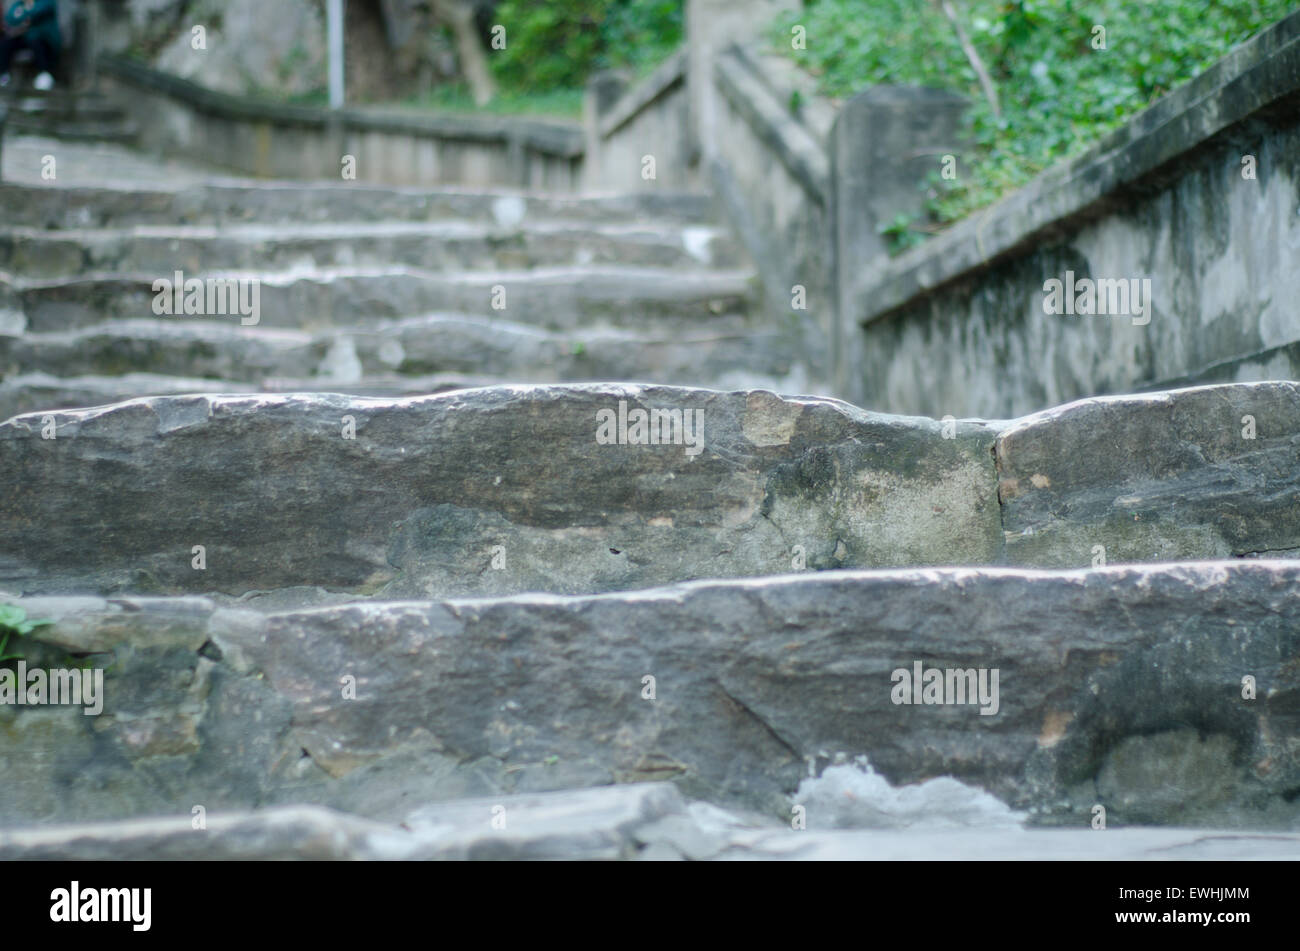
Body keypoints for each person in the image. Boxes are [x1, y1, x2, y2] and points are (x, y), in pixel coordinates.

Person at [0, 0, 61, 90]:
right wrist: (26, 12)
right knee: (6, 42)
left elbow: (36, 12)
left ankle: (44, 74)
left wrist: (23, 13)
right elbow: (10, 18)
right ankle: (3, 74)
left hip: (45, 40)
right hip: (25, 39)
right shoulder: (19, 4)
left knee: (34, 40)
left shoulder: (47, 2)